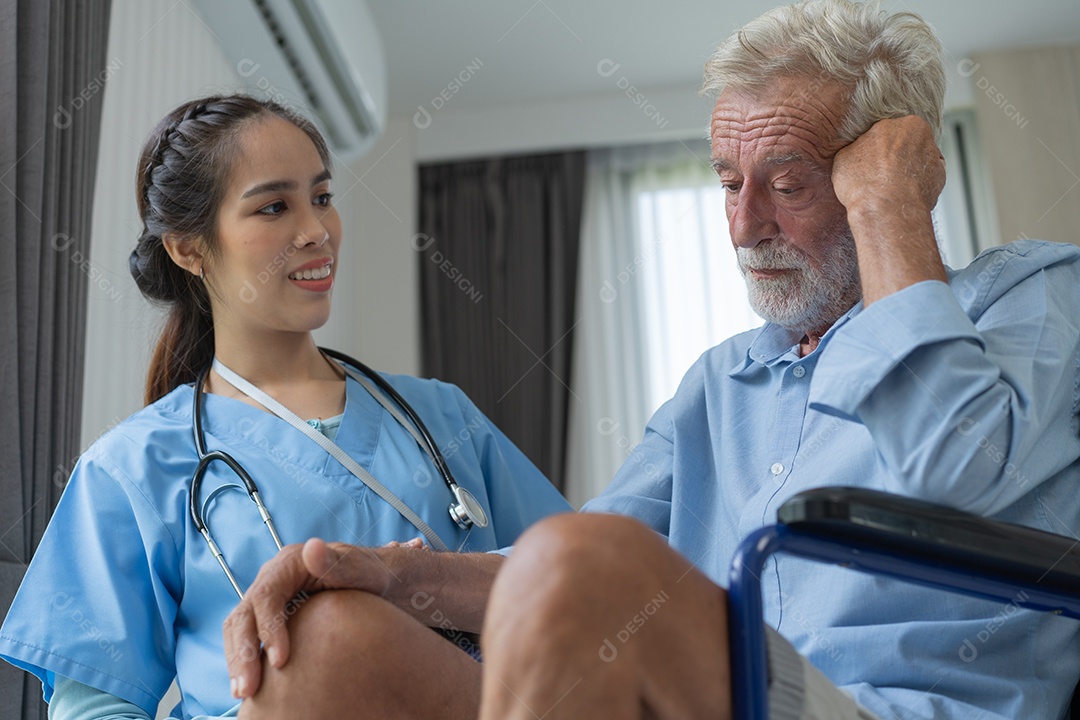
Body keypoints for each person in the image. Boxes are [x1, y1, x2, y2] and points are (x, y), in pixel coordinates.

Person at [208, 1, 1080, 719]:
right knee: (333, 640)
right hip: (700, 696)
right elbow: (552, 582)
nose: (744, 228)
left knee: (585, 564)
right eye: (729, 183)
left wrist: (892, 208)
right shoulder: (722, 382)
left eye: (787, 183)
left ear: (888, 166)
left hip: (885, 708)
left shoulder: (1027, 292)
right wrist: (387, 572)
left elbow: (952, 467)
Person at [0, 94, 571, 719]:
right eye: (274, 207)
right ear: (188, 248)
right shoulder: (132, 467)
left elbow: (575, 577)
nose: (316, 231)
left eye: (321, 197)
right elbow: (93, 710)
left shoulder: (441, 417)